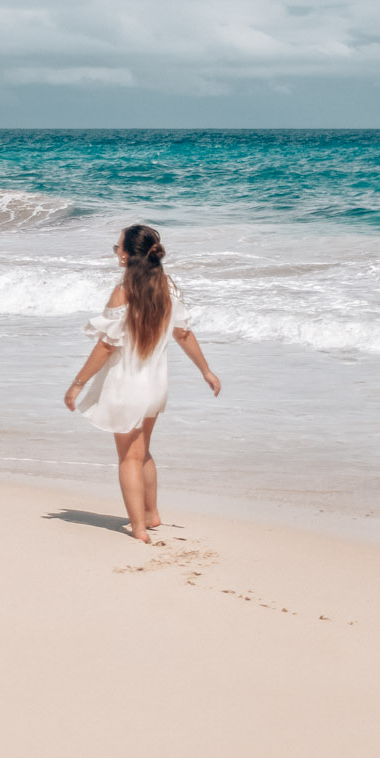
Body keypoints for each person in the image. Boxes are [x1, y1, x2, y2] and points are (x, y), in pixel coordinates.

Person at [62, 224, 220, 542]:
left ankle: (137, 528)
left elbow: (107, 346)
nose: (116, 252)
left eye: (117, 247)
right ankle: (150, 514)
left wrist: (78, 384)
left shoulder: (124, 291)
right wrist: (206, 370)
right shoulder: (167, 288)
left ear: (127, 256)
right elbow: (183, 334)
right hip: (155, 387)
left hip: (126, 387)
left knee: (129, 457)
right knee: (143, 451)